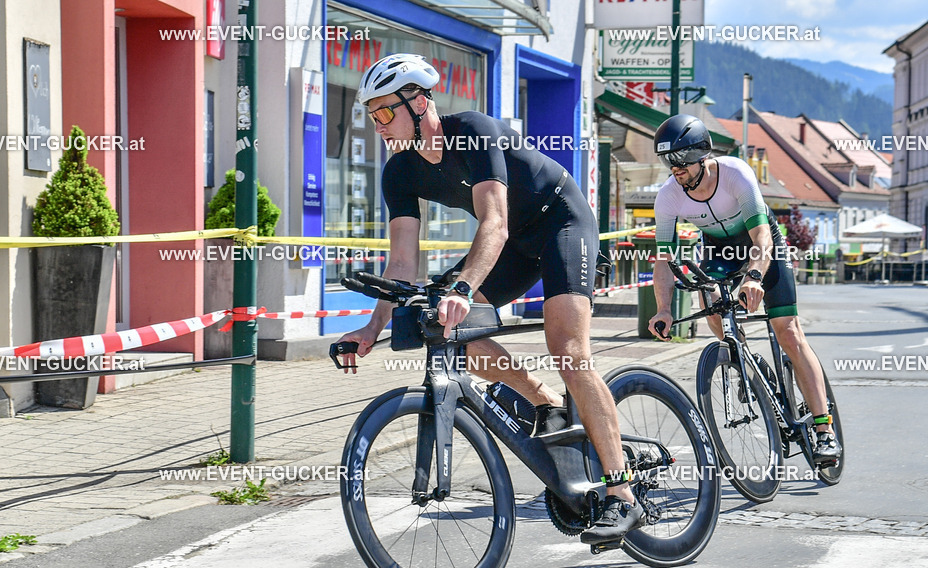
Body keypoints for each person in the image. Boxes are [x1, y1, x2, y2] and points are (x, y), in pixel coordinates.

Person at [334, 54, 643, 540]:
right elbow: (401, 262)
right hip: (511, 244)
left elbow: (493, 222)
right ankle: (545, 402)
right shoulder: (399, 171)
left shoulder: (474, 131)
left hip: (559, 223)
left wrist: (463, 287)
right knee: (441, 323)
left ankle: (622, 492)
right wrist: (372, 328)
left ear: (419, 103)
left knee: (569, 350)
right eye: (371, 115)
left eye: (385, 112)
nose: (378, 125)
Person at [646, 114, 839, 463]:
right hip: (719, 250)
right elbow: (663, 260)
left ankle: (824, 430)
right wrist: (662, 308)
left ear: (703, 156)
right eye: (668, 162)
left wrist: (753, 276)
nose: (675, 170)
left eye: (681, 162)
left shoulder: (735, 174)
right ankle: (747, 363)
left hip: (760, 244)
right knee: (714, 306)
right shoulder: (668, 197)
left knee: (789, 332)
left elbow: (761, 236)